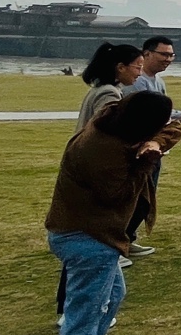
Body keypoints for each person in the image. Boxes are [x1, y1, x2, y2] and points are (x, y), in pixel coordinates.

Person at [42, 91, 180, 335]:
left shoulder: (113, 121)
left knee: (114, 295)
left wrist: (154, 142)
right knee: (83, 316)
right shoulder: (102, 150)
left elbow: (175, 129)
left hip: (88, 235)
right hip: (87, 238)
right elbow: (117, 196)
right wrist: (146, 160)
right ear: (141, 124)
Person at [57, 42, 144, 314]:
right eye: (137, 67)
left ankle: (76, 307)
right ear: (120, 67)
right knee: (89, 246)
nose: (139, 73)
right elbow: (109, 132)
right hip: (94, 170)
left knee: (83, 253)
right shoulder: (109, 94)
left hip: (83, 166)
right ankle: (72, 311)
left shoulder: (102, 89)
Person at [123, 36, 181, 252]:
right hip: (138, 148)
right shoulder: (137, 82)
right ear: (147, 54)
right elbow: (142, 113)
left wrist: (178, 116)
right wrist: (179, 116)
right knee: (133, 196)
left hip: (155, 147)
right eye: (164, 54)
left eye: (171, 55)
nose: (168, 59)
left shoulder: (158, 81)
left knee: (146, 197)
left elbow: (162, 112)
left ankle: (128, 239)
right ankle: (118, 242)